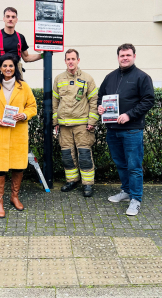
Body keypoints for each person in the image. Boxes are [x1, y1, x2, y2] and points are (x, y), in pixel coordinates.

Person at [98, 43, 154, 216]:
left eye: (128, 55)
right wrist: (100, 107)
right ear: (118, 57)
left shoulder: (142, 77)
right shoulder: (110, 77)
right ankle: (126, 191)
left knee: (134, 166)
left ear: (134, 56)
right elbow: (101, 96)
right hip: (113, 129)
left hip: (131, 130)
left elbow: (148, 100)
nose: (125, 58)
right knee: (121, 164)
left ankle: (135, 199)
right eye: (122, 56)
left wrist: (130, 115)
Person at [0, 53, 37, 218]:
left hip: (18, 133)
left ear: (15, 68)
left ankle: (14, 196)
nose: (8, 68)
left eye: (11, 65)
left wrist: (24, 115)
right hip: (0, 133)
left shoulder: (23, 87)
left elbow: (32, 106)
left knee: (18, 166)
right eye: (4, 66)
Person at [53, 48, 99, 197]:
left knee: (84, 155)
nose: (70, 62)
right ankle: (72, 180)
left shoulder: (87, 78)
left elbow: (94, 101)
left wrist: (92, 121)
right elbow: (55, 102)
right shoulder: (59, 79)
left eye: (73, 59)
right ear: (65, 61)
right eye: (68, 59)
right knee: (67, 155)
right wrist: (55, 122)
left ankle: (87, 185)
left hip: (82, 126)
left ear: (78, 60)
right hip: (64, 126)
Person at [0, 7, 43, 82]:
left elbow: (26, 57)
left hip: (17, 74)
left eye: (13, 17)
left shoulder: (21, 37)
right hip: (0, 75)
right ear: (4, 19)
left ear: (16, 20)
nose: (10, 19)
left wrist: (44, 55)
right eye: (8, 16)